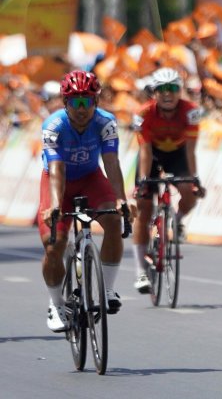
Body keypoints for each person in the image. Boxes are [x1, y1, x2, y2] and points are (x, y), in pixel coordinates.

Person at [39, 70, 133, 332]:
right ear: (65, 103)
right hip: (58, 183)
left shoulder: (106, 123)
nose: (82, 109)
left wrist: (121, 199)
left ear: (96, 102)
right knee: (53, 245)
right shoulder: (53, 126)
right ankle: (56, 304)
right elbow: (56, 168)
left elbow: (111, 162)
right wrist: (56, 205)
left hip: (92, 178)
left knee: (114, 220)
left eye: (87, 102)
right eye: (75, 103)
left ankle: (109, 289)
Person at [131, 67, 204, 294]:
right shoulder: (143, 114)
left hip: (178, 154)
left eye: (172, 88)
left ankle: (177, 221)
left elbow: (191, 150)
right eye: (162, 89)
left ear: (179, 91)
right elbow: (143, 149)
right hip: (151, 155)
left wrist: (194, 179)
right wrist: (143, 180)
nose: (167, 94)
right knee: (143, 208)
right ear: (154, 92)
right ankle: (141, 271)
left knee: (189, 193)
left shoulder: (191, 111)